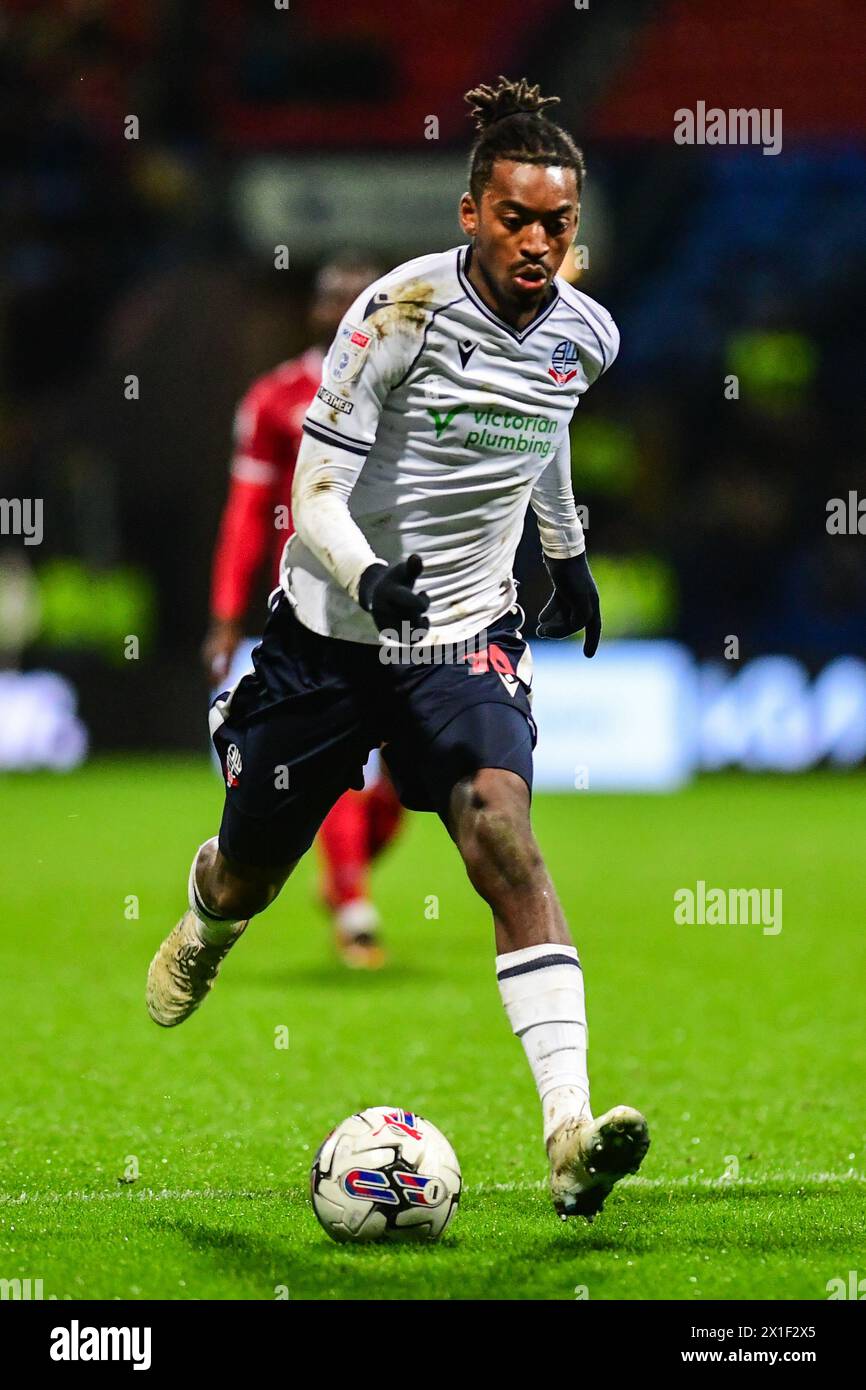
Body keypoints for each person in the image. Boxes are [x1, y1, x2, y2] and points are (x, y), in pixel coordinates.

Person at [148, 77, 649, 1221]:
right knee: (251, 870)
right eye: (515, 218)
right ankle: (209, 916)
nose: (536, 241)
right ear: (470, 211)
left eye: (556, 224)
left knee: (500, 829)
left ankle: (569, 1130)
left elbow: (547, 428)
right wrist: (365, 572)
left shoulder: (586, 333)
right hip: (329, 637)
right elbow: (313, 491)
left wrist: (563, 551)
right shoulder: (395, 314)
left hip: (463, 634)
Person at [202, 251, 402, 969]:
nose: (348, 310)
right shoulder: (275, 398)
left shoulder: (413, 394)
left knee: (410, 779)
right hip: (315, 609)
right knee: (334, 757)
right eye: (334, 298)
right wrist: (227, 616)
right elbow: (247, 512)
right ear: (316, 311)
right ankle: (352, 903)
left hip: (401, 604)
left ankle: (346, 875)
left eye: (364, 299)